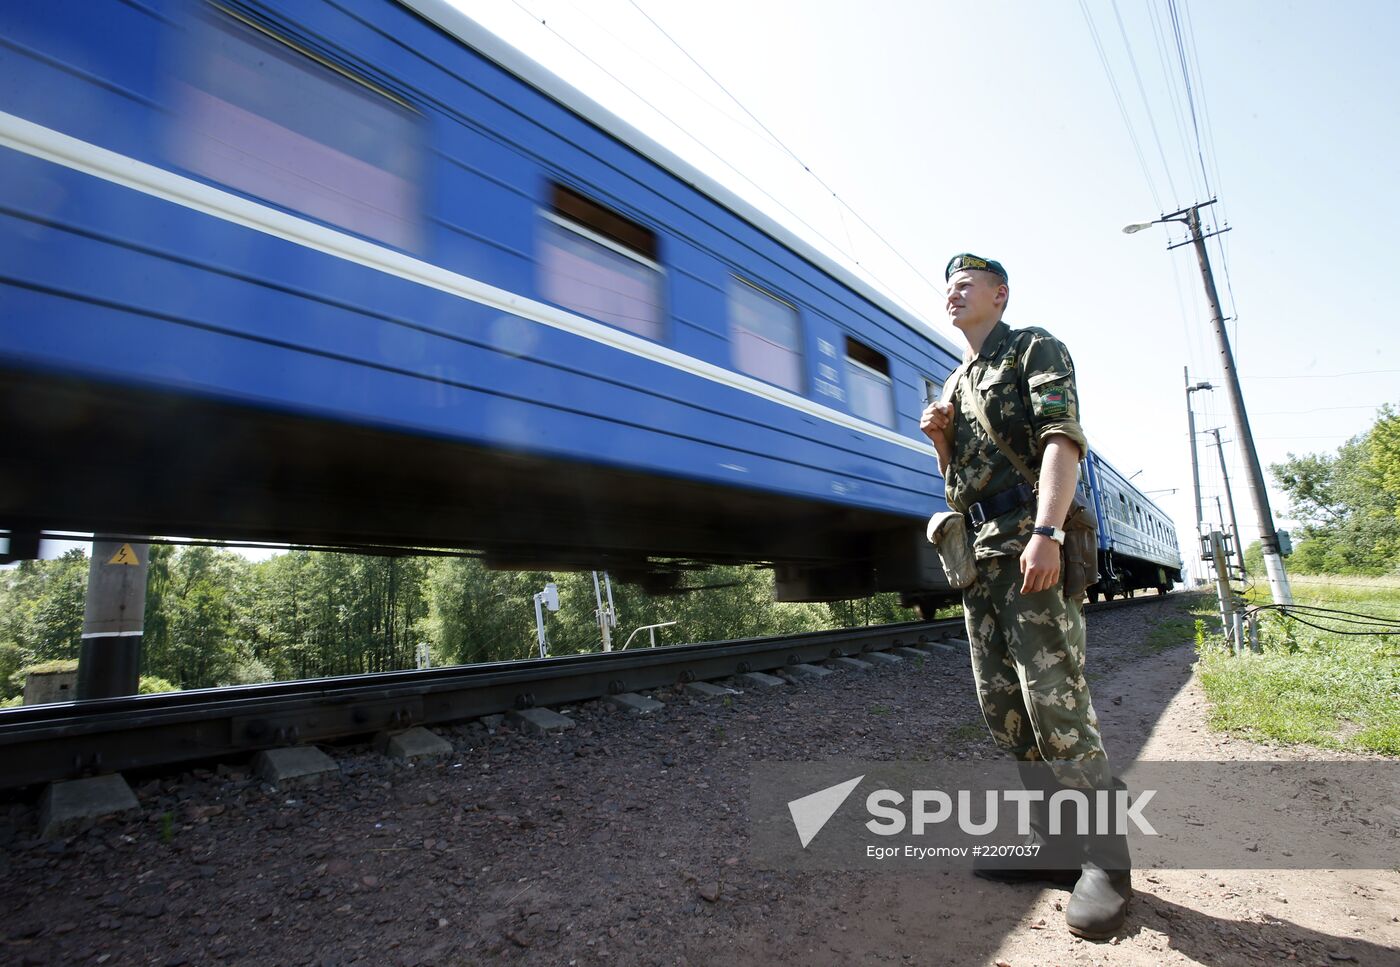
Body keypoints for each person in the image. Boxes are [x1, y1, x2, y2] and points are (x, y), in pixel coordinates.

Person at [919, 253, 1131, 940]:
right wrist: (941, 444)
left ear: (999, 294)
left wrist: (1046, 531)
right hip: (979, 558)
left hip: (1029, 542)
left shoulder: (1034, 347)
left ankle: (1108, 859)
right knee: (1005, 708)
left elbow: (1060, 440)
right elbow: (957, 490)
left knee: (1055, 700)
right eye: (947, 283)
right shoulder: (955, 381)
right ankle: (1053, 843)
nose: (952, 290)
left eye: (966, 282)